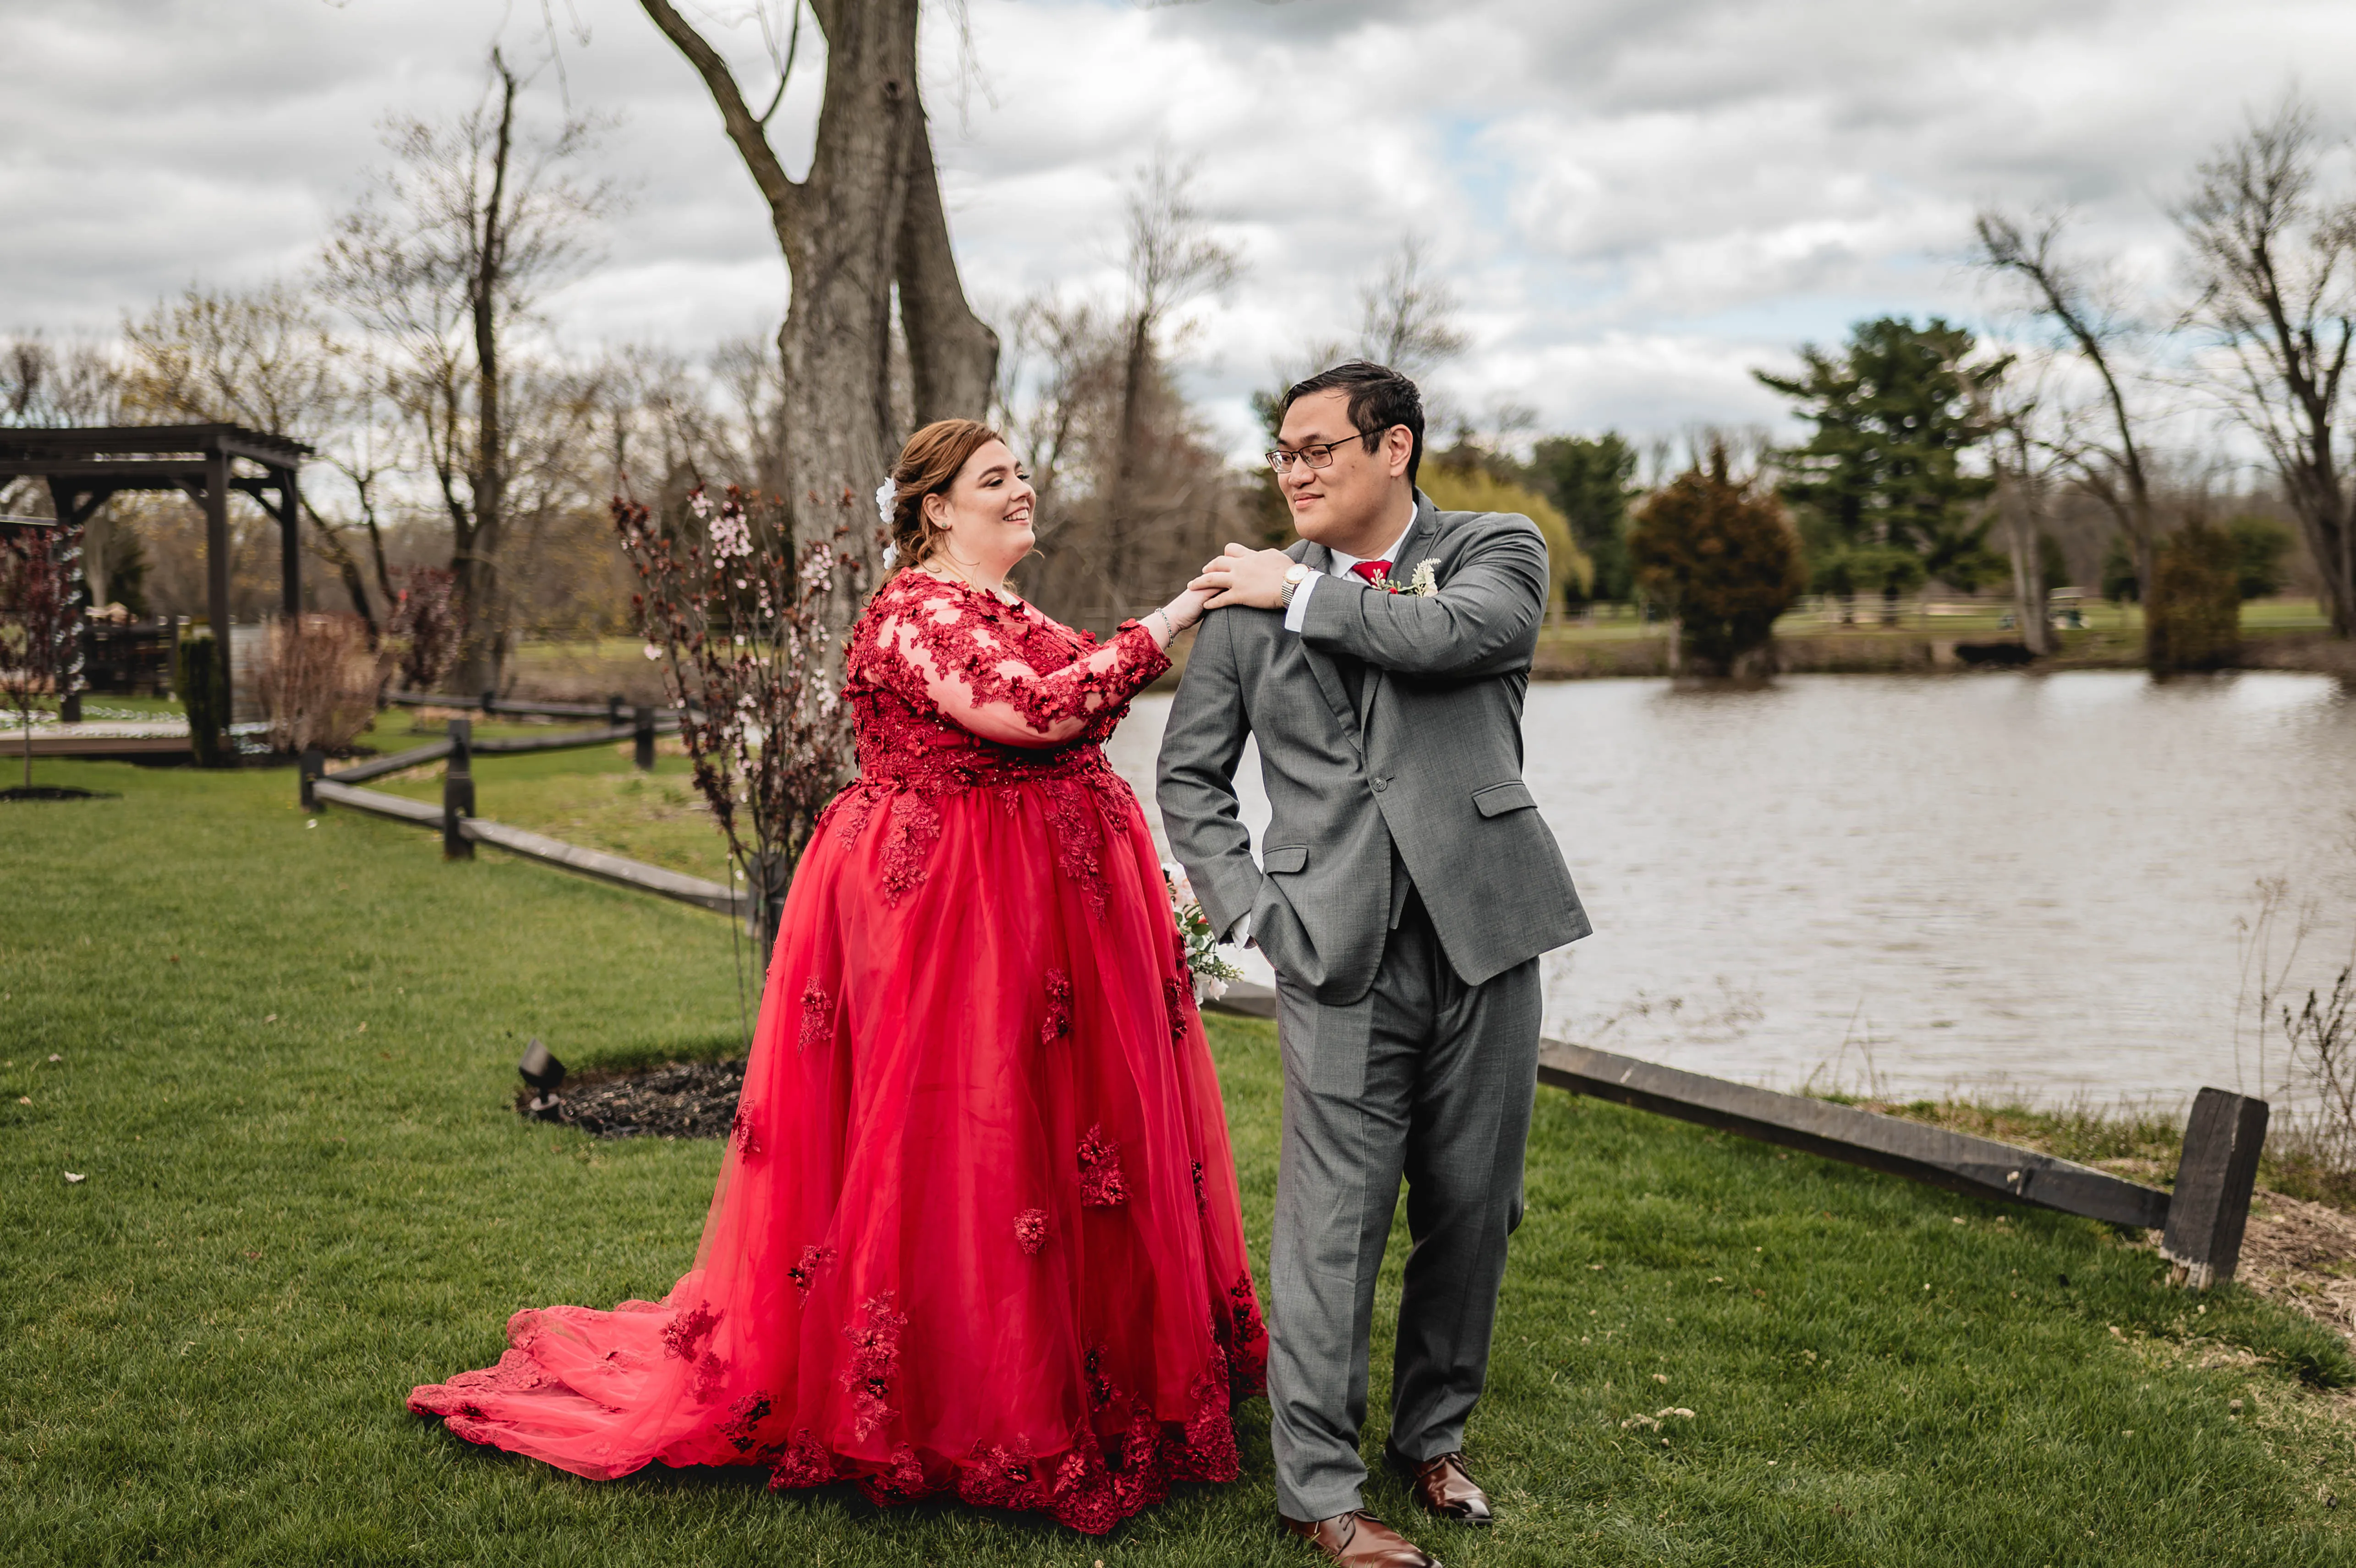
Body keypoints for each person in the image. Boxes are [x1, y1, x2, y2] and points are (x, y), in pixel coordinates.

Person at [411, 419, 1267, 1535]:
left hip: (1034, 915)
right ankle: (954, 1397)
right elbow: (1032, 712)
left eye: (1022, 475)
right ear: (935, 507)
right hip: (955, 915)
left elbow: (1064, 685)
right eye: (995, 479)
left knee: (1059, 1143)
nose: (1022, 491)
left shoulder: (1005, 607)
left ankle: (1078, 1373)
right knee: (961, 1142)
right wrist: (1177, 617)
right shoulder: (914, 610)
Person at [1158, 362, 1589, 1568]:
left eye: (1315, 448)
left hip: (1485, 934)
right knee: (1330, 1227)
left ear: (1393, 447)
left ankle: (1429, 1437)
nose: (1290, 469)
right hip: (1335, 950)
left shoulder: (1492, 547)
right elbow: (1189, 778)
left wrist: (1295, 589)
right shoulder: (1240, 609)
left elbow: (1463, 633)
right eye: (1280, 452)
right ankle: (1316, 1491)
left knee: (1472, 1205)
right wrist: (1250, 907)